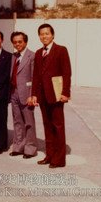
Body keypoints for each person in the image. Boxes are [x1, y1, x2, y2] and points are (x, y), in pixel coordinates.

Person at [31, 23, 71, 168]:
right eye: (41, 34)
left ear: (52, 35)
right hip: (43, 96)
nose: (44, 36)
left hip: (56, 94)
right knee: (47, 126)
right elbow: (36, 76)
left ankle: (59, 159)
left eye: (47, 33)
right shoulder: (38, 53)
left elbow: (67, 73)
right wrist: (34, 94)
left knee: (58, 126)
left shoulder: (61, 50)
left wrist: (66, 93)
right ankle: (50, 155)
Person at [9, 31, 37, 158]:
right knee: (17, 121)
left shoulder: (32, 56)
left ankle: (30, 148)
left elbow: (34, 77)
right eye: (15, 42)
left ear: (25, 42)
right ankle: (18, 146)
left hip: (26, 93)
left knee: (29, 122)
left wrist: (32, 95)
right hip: (14, 93)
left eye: (20, 41)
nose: (17, 44)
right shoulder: (13, 57)